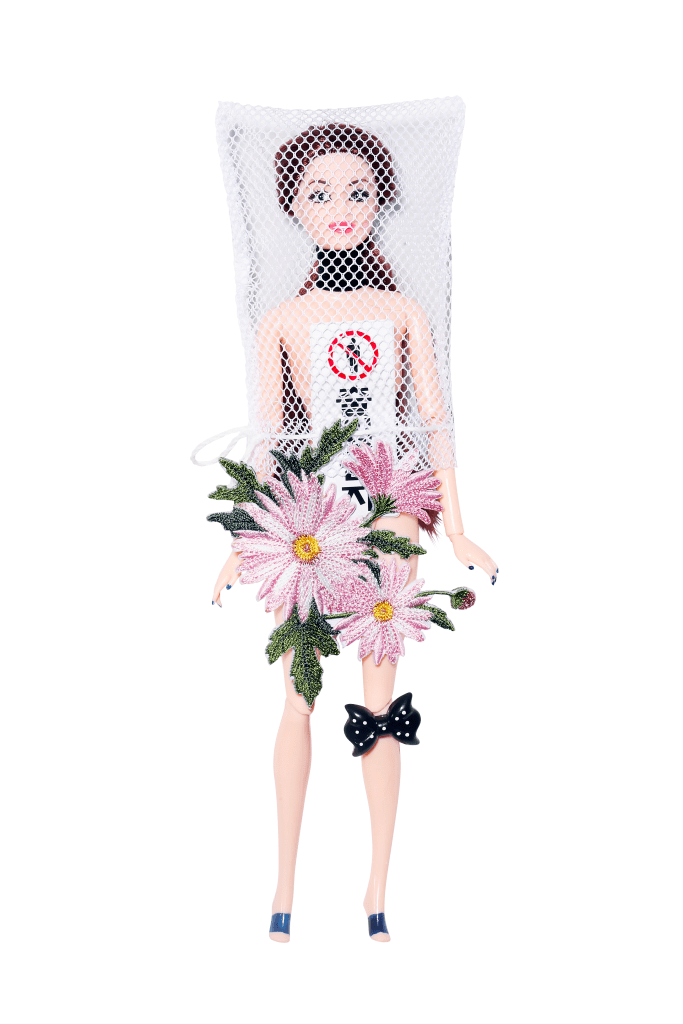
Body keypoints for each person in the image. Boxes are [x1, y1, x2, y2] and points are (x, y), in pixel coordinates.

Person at [211, 123, 497, 941]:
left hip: (390, 507)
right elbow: (271, 434)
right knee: (296, 695)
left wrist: (458, 526)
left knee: (380, 700)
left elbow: (434, 419)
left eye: (358, 191)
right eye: (319, 193)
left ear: (381, 202)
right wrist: (243, 536)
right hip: (307, 514)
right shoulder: (280, 320)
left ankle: (375, 891)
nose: (340, 207)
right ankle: (283, 886)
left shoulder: (403, 311)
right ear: (292, 208)